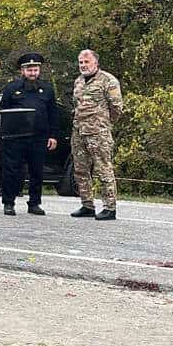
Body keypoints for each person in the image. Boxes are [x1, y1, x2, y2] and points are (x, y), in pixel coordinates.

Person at [0, 53, 58, 216]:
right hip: (16, 137)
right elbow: (3, 111)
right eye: (29, 70)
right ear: (22, 71)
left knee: (37, 171)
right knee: (12, 170)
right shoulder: (12, 88)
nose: (33, 73)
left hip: (39, 137)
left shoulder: (47, 89)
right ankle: (9, 203)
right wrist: (4, 133)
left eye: (35, 70)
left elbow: (53, 113)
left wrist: (53, 135)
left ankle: (34, 203)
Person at [69, 49, 123, 221]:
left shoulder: (108, 81)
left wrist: (103, 124)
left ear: (96, 63)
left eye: (87, 62)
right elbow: (76, 105)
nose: (83, 65)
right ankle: (87, 205)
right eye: (81, 62)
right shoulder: (78, 82)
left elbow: (116, 108)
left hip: (98, 133)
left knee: (103, 169)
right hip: (79, 132)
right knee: (80, 170)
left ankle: (109, 207)